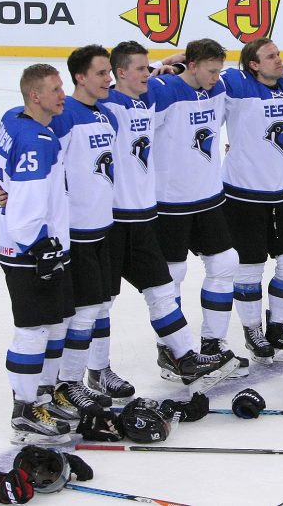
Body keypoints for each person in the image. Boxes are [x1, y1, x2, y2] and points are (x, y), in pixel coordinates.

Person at [98, 41, 238, 392]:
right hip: (113, 220)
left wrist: (168, 63)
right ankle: (92, 372)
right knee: (99, 302)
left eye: (149, 67)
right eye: (140, 68)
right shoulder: (108, 105)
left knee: (163, 288)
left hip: (146, 215)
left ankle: (185, 356)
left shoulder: (149, 96)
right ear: (120, 73)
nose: (148, 73)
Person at [147, 39, 246, 374]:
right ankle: (171, 351)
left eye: (219, 70)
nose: (217, 77)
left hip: (208, 197)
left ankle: (213, 343)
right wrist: (165, 63)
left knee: (224, 263)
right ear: (192, 66)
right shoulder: (165, 90)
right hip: (169, 201)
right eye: (210, 70)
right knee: (171, 276)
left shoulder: (217, 87)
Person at [219, 38, 283, 361]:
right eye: (270, 56)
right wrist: (175, 63)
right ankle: (253, 331)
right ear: (253, 64)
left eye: (279, 53)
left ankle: (279, 327)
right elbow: (199, 72)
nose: (279, 60)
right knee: (249, 270)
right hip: (241, 197)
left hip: (281, 194)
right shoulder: (236, 83)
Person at [40, 45, 118, 422]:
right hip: (77, 232)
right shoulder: (65, 116)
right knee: (82, 312)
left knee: (99, 306)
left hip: (103, 227)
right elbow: (40, 162)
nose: (109, 79)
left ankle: (88, 374)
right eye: (101, 73)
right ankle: (67, 384)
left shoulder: (104, 116)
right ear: (80, 77)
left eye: (109, 72)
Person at [0, 64, 72, 444]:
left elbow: (8, 180)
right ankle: (24, 410)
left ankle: (41, 396)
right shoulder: (36, 142)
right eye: (55, 90)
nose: (63, 94)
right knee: (32, 331)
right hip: (29, 249)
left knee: (53, 326)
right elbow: (26, 210)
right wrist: (41, 245)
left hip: (36, 243)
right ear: (35, 96)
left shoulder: (13, 118)